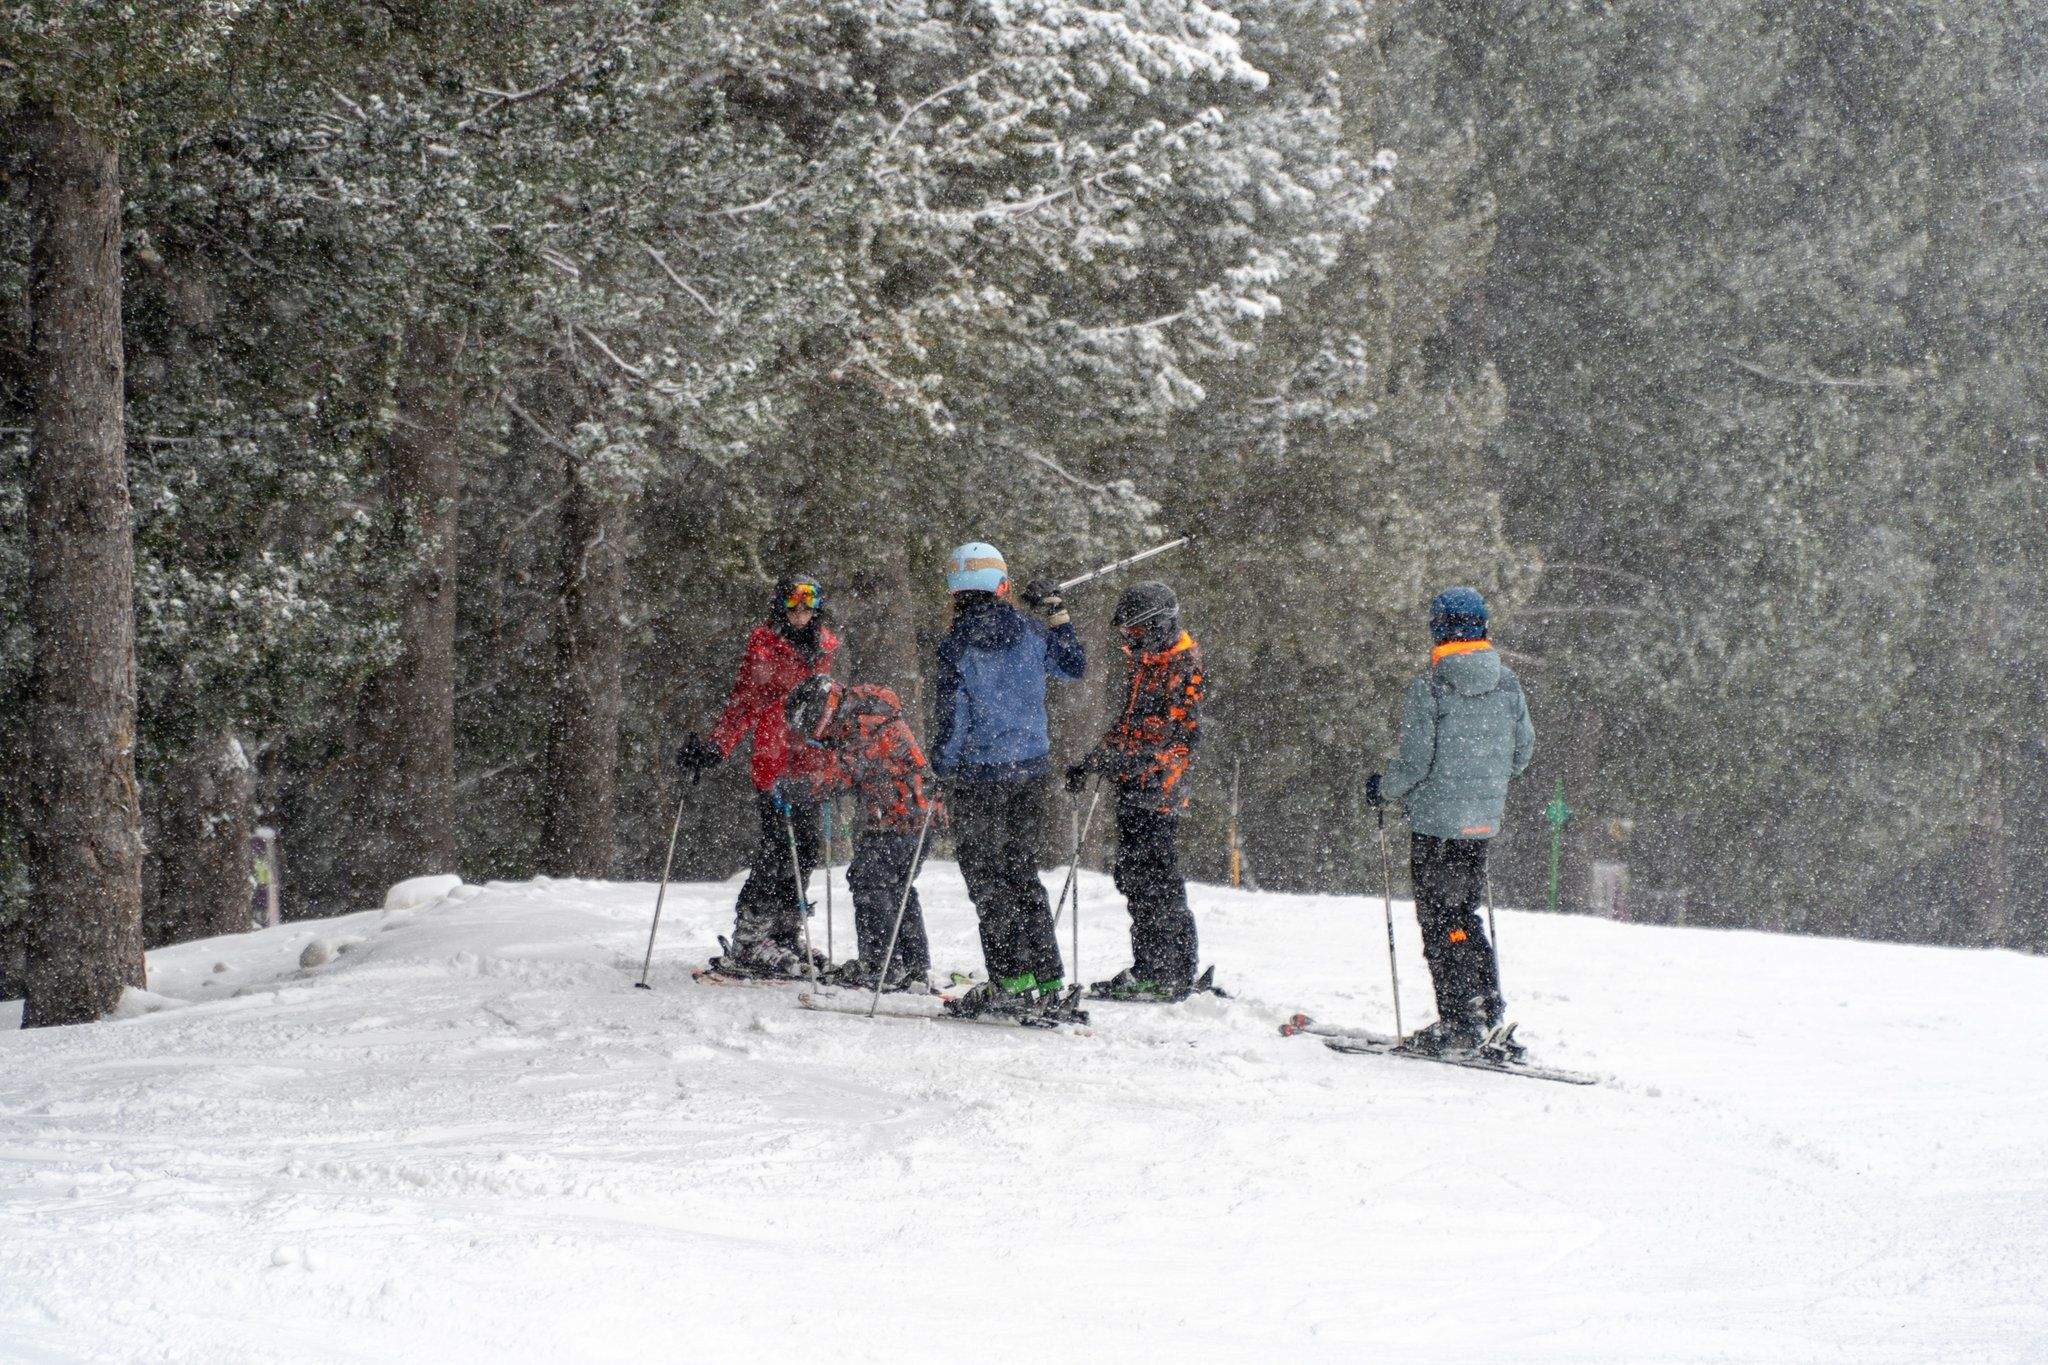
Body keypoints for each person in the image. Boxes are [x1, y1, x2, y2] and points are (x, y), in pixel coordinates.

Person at [1366, 586, 1535, 1054]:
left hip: (1437, 822)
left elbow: (1417, 762)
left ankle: (1458, 1019)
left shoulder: (1431, 685)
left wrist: (1383, 787)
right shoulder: (1507, 683)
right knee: (1463, 913)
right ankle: (1485, 1008)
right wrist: (1487, 780)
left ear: (1438, 629)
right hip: (1482, 821)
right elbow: (1522, 752)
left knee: (1439, 919)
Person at [930, 541, 1086, 1019]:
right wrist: (1056, 611)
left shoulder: (955, 646)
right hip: (1030, 772)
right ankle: (1046, 976)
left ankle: (1010, 980)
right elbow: (1074, 666)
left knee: (987, 878)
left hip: (977, 776)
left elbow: (953, 719)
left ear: (956, 592)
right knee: (1021, 871)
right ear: (1002, 586)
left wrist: (941, 765)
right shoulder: (1034, 632)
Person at [675, 575, 839, 978]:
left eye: (808, 605)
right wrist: (717, 746)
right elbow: (742, 704)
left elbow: (832, 702)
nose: (800, 613)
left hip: (812, 762)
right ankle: (751, 937)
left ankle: (784, 932)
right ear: (780, 606)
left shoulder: (825, 647)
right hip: (775, 759)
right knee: (777, 849)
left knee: (807, 849)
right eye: (793, 604)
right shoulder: (764, 646)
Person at [1067, 581, 1206, 1002]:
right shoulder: (1149, 664)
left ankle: (1169, 969)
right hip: (1134, 787)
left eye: (1136, 632)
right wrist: (1095, 759)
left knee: (1155, 878)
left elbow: (1180, 739)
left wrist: (1131, 763)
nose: (1130, 641)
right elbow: (1130, 725)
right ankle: (1153, 964)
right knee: (1134, 875)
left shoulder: (1183, 667)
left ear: (1159, 625)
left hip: (1158, 792)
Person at [782, 677, 943, 992]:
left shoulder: (862, 720)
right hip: (913, 814)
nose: (818, 735)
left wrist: (804, 787)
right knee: (897, 887)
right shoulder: (861, 711)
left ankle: (882, 963)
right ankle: (912, 964)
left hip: (900, 816)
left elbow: (848, 768)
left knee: (870, 880)